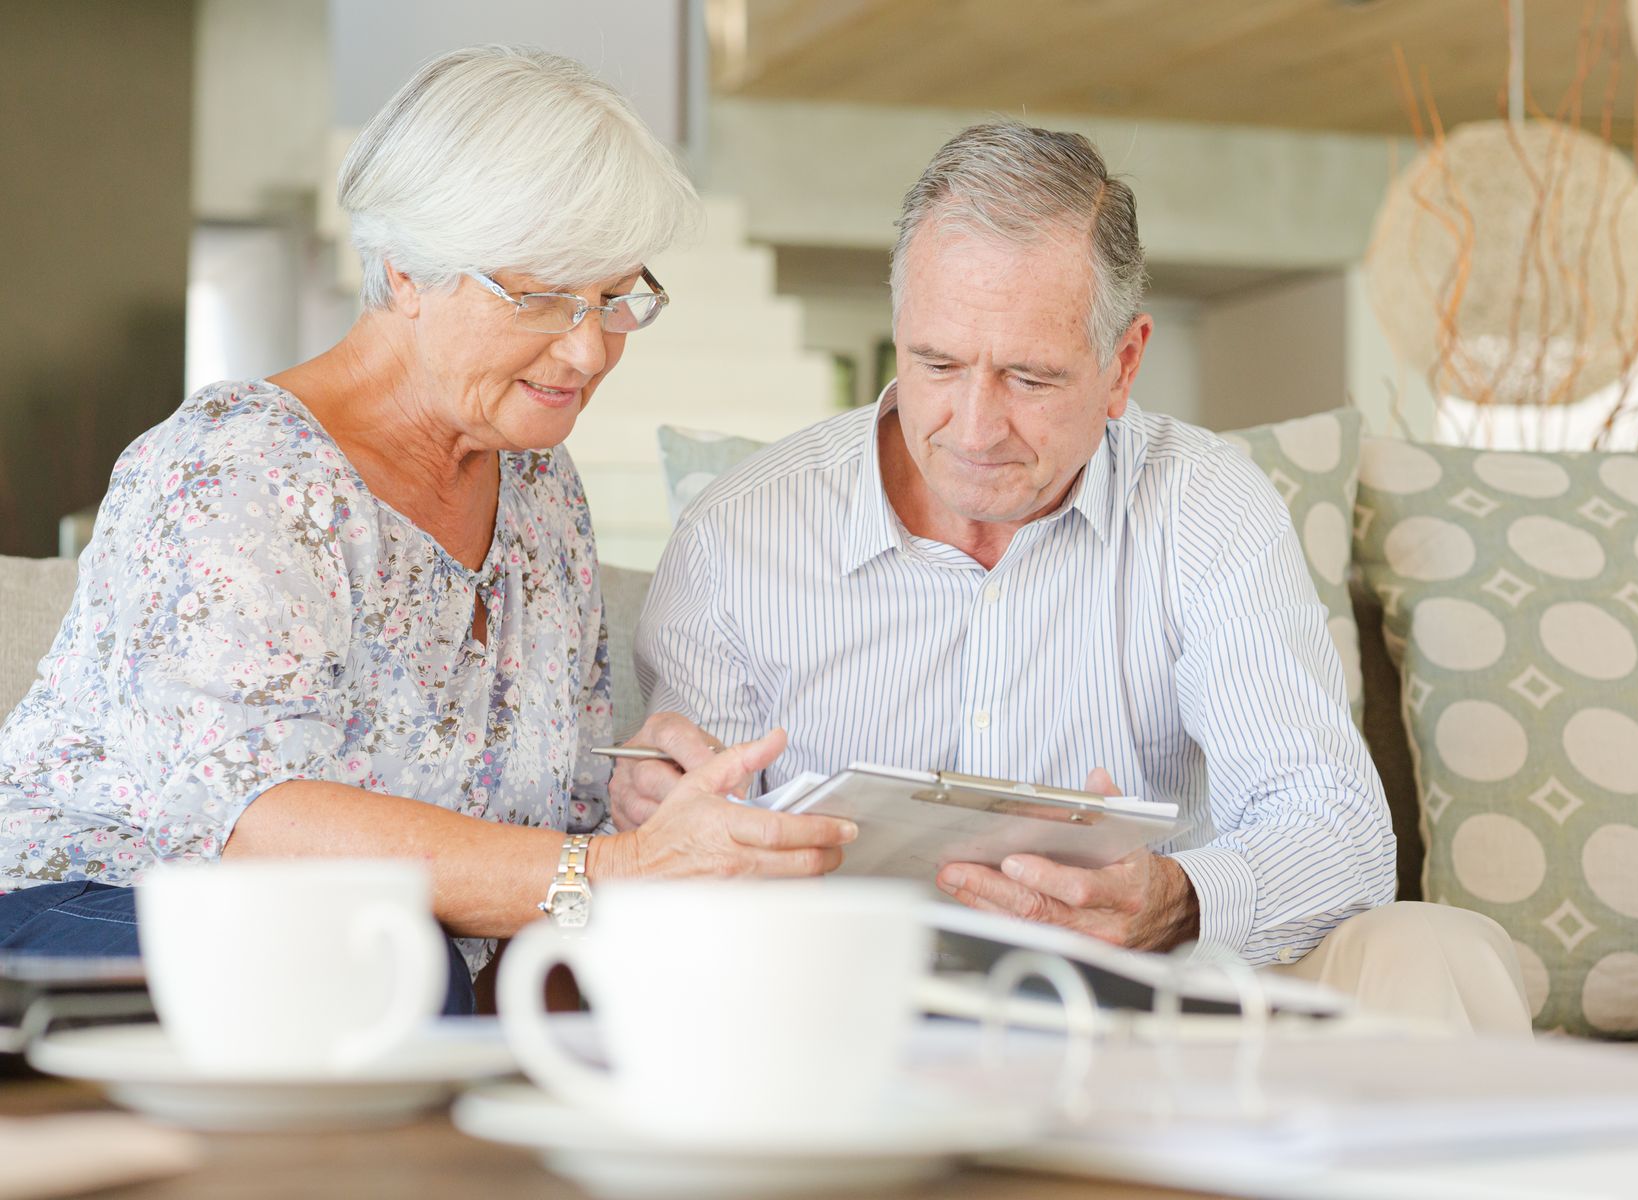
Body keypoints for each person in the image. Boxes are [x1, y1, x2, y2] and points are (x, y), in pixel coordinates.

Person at [615, 123, 1529, 1033]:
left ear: (1122, 365)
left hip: (1146, 1020)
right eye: (938, 364)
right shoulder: (737, 534)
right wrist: (663, 814)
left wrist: (1176, 899)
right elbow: (684, 868)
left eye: (1030, 378)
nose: (975, 429)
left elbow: (1337, 830)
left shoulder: (1205, 505)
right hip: (845, 1022)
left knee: (1431, 949)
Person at [0, 46, 853, 1013]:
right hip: (81, 910)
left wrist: (630, 793)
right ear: (406, 271)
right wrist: (610, 871)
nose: (588, 350)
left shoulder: (539, 489)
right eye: (542, 296)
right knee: (394, 963)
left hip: (381, 953)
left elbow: (549, 828)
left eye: (615, 298)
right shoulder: (239, 469)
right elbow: (252, 823)